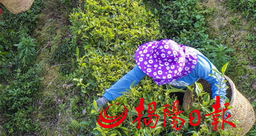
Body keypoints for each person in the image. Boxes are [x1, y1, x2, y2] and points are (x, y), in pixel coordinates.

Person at [95, 39, 228, 111]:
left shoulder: (198, 64)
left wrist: (220, 104)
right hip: (172, 88)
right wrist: (106, 98)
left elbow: (218, 80)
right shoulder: (151, 60)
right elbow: (131, 78)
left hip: (193, 88)